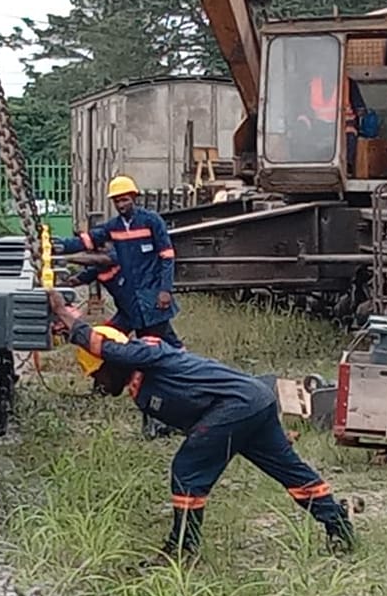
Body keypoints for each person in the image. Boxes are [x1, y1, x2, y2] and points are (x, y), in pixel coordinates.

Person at [52, 293, 356, 558]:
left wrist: (69, 318)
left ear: (113, 364)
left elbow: (113, 350)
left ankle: (183, 548)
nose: (98, 382)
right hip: (250, 403)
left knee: (187, 470)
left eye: (98, 375)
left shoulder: (146, 354)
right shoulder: (140, 381)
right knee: (287, 470)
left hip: (239, 404)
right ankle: (339, 526)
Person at [57, 176, 183, 437]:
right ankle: (105, 384)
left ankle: (172, 390)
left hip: (151, 301)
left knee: (158, 349)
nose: (121, 203)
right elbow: (87, 242)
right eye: (117, 200)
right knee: (103, 341)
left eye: (125, 199)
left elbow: (167, 256)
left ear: (134, 198)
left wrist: (164, 290)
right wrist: (54, 246)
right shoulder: (113, 228)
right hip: (131, 307)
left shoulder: (151, 222)